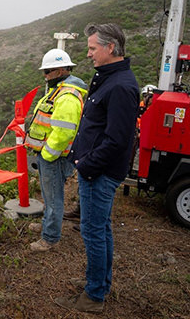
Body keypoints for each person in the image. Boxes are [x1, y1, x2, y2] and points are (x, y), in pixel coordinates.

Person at [57, 23, 139, 313]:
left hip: (99, 172)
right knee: (100, 229)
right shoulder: (110, 79)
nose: (89, 54)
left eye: (93, 48)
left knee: (92, 231)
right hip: (97, 169)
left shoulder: (120, 86)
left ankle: (93, 296)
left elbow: (117, 139)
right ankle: (99, 285)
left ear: (110, 48)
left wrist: (87, 164)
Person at [24, 48, 87, 252]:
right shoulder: (59, 90)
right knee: (49, 196)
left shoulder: (67, 96)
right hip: (49, 155)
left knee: (53, 199)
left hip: (54, 157)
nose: (44, 76)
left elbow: (64, 132)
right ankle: (46, 226)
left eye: (47, 72)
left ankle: (50, 237)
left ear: (60, 70)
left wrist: (48, 154)